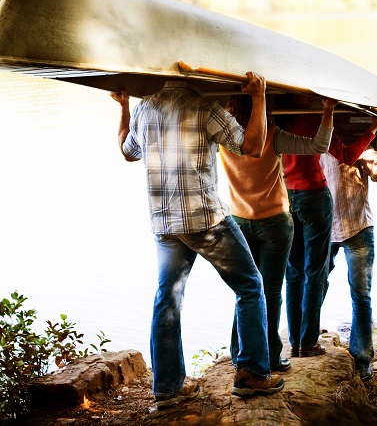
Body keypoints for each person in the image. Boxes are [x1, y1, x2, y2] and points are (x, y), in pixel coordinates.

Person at [110, 72, 285, 408]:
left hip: (164, 222)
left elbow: (127, 151)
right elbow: (253, 147)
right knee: (250, 286)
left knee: (167, 298)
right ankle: (252, 373)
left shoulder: (145, 110)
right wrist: (259, 97)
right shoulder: (206, 107)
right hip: (204, 220)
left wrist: (124, 106)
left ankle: (168, 388)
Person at [219, 94, 337, 374]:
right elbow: (319, 144)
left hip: (239, 220)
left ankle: (239, 353)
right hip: (274, 222)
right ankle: (270, 356)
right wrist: (329, 111)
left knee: (245, 289)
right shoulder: (272, 135)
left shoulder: (223, 138)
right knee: (270, 291)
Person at [278, 102, 377, 359]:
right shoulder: (316, 117)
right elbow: (348, 156)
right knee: (315, 272)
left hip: (286, 196)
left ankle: (294, 341)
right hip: (313, 196)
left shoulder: (277, 118)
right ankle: (308, 342)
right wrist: (371, 129)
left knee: (293, 273)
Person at [320, 122, 377, 381]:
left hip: (347, 227)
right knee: (357, 296)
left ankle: (355, 358)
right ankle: (358, 362)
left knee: (321, 287)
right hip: (334, 228)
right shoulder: (351, 146)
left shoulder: (318, 144)